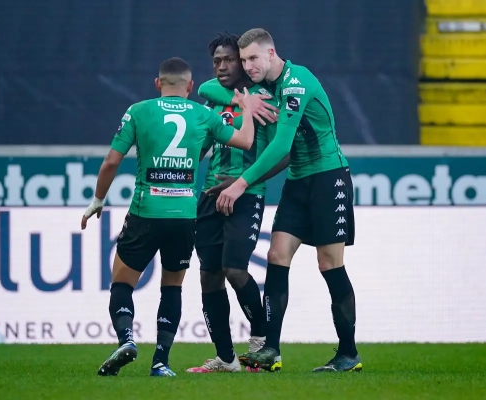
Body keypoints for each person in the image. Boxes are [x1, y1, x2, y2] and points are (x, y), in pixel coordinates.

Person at [198, 28, 362, 373]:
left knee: (329, 263)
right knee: (276, 255)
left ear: (271, 53)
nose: (247, 66)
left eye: (253, 59)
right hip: (298, 181)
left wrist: (241, 183)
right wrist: (242, 102)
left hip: (328, 177)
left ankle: (348, 353)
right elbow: (208, 88)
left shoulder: (296, 82)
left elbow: (282, 146)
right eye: (244, 60)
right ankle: (269, 348)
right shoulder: (266, 88)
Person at [81, 57, 256, 377]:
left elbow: (111, 162)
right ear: (190, 86)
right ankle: (161, 361)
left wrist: (98, 200)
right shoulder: (203, 114)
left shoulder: (138, 111)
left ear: (157, 83)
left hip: (145, 212)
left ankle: (126, 339)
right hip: (184, 216)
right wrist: (248, 110)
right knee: (172, 287)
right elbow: (245, 141)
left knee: (122, 281)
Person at [185, 32, 289, 374]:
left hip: (247, 195)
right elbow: (200, 145)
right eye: (217, 61)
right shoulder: (213, 103)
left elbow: (284, 154)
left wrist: (245, 182)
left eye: (230, 60)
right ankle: (226, 359)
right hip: (210, 195)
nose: (222, 66)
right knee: (209, 276)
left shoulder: (263, 101)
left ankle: (259, 344)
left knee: (233, 268)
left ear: (243, 64)